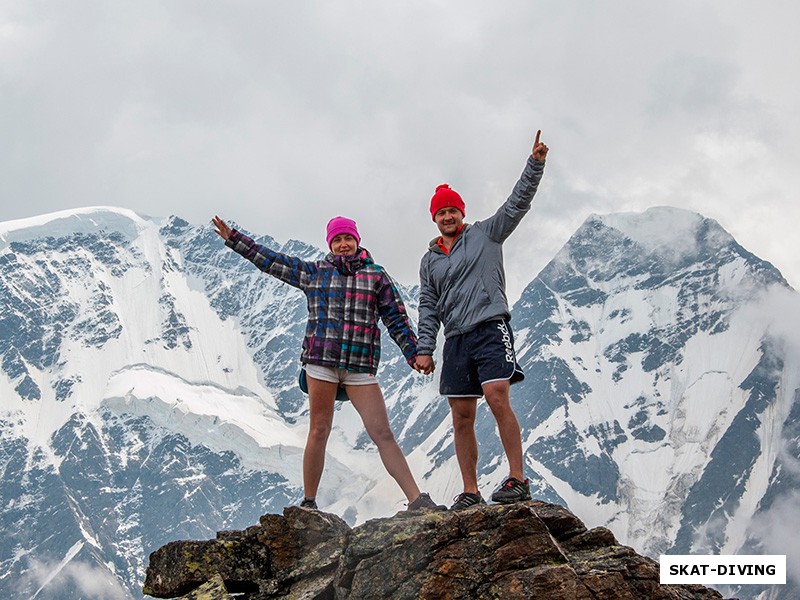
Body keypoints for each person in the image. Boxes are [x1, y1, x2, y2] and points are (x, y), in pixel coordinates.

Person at [212, 215, 442, 512]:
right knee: (319, 429)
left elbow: (396, 319)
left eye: (347, 238)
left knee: (382, 433)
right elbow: (271, 262)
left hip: (359, 366)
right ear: (330, 245)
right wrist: (236, 240)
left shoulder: (376, 276)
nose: (343, 244)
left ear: (357, 241)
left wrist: (414, 354)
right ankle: (309, 502)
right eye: (337, 240)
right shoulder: (316, 272)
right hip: (321, 361)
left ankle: (416, 499)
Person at [415, 130, 549, 510]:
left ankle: (517, 479)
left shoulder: (487, 235)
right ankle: (470, 491)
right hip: (456, 338)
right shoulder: (430, 261)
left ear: (462, 212)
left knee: (497, 396)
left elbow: (516, 204)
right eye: (440, 212)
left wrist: (534, 164)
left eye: (452, 210)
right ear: (434, 218)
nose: (447, 215)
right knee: (461, 415)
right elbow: (428, 305)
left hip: (490, 327)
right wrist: (425, 348)